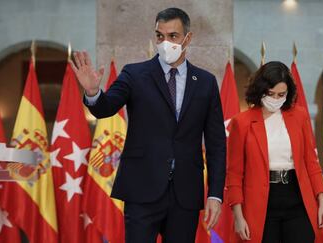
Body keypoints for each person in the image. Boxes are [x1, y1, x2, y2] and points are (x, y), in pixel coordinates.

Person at [70, 7, 226, 243]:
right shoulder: (135, 74)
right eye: (160, 36)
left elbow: (216, 143)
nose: (165, 43)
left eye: (173, 36)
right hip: (142, 188)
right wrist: (93, 93)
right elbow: (106, 107)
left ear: (188, 38)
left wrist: (215, 194)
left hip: (186, 192)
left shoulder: (205, 82)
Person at [226, 61, 323, 243]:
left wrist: (322, 201)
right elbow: (234, 174)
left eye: (281, 94)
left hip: (297, 199)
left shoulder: (300, 116)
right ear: (260, 91)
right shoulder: (241, 123)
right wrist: (238, 216)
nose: (275, 99)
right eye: (270, 94)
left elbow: (311, 162)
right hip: (260, 205)